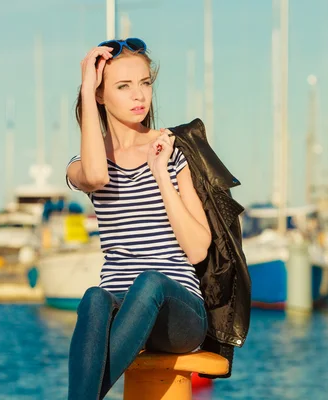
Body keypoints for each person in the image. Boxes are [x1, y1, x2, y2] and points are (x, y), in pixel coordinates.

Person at [66, 38, 220, 399]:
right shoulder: (84, 165)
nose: (139, 95)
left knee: (150, 282)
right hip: (122, 312)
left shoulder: (172, 150)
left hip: (177, 314)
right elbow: (98, 176)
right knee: (93, 298)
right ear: (101, 96)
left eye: (145, 83)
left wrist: (161, 173)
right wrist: (87, 88)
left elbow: (197, 249)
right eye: (123, 86)